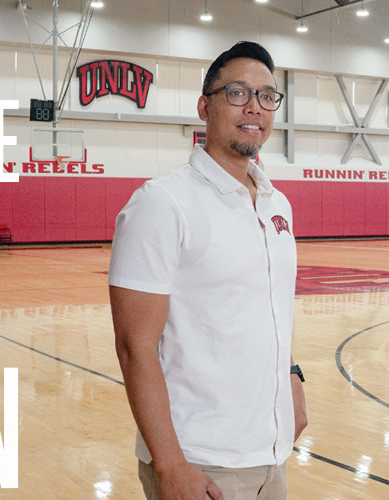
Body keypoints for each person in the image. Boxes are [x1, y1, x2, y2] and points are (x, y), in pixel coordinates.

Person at [108, 41, 307, 500]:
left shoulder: (278, 205)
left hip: (271, 452)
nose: (254, 106)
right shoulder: (162, 204)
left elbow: (266, 307)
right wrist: (171, 465)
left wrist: (292, 376)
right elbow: (133, 346)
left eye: (267, 95)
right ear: (205, 105)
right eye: (237, 93)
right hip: (200, 460)